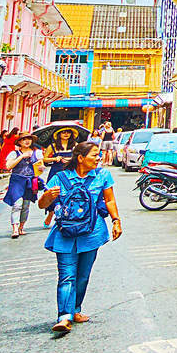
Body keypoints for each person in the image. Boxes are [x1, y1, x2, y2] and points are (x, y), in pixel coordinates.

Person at [36, 141, 122, 334]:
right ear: (80, 158)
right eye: (94, 155)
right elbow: (42, 205)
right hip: (65, 233)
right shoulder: (60, 178)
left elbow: (109, 199)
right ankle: (64, 317)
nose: (98, 158)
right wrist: (48, 196)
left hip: (92, 233)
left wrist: (116, 220)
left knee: (83, 276)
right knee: (66, 276)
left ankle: (75, 309)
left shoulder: (102, 175)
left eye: (99, 155)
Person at [1, 134, 42, 239]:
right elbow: (9, 166)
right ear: (19, 142)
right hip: (17, 180)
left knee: (26, 206)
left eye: (29, 139)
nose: (27, 141)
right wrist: (21, 157)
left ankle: (21, 227)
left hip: (29, 181)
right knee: (17, 204)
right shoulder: (14, 153)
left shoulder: (36, 153)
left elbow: (40, 167)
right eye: (24, 139)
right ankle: (15, 228)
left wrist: (41, 168)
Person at [42, 127, 80, 227]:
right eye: (63, 132)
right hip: (56, 171)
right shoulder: (53, 146)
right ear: (59, 135)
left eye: (68, 132)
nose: (66, 134)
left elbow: (80, 157)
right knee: (53, 193)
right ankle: (51, 213)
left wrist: (71, 159)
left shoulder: (75, 146)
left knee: (70, 193)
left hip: (70, 171)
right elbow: (45, 159)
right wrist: (55, 158)